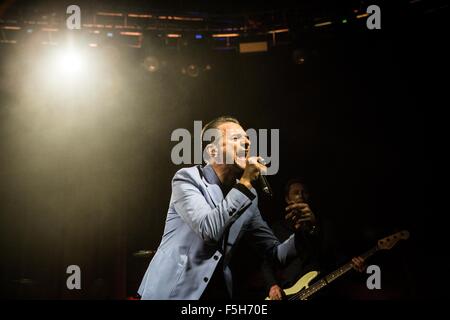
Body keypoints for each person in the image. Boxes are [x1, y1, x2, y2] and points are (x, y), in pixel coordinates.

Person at [138, 116, 307, 300]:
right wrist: (245, 183)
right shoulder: (188, 179)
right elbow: (209, 230)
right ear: (212, 151)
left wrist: (304, 232)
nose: (246, 143)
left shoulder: (248, 197)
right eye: (236, 138)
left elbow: (275, 254)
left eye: (247, 139)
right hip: (170, 292)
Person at [262, 179, 366, 300]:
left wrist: (314, 227)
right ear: (287, 199)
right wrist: (273, 286)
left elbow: (336, 258)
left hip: (322, 291)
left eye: (304, 192)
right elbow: (267, 264)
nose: (300, 195)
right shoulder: (277, 229)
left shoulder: (325, 226)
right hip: (289, 294)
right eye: (295, 192)